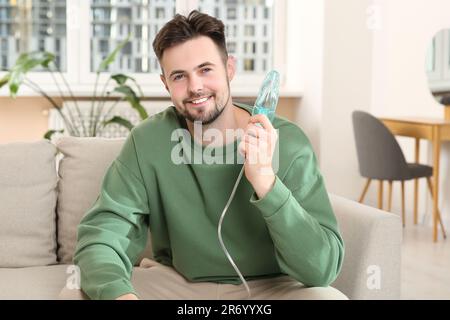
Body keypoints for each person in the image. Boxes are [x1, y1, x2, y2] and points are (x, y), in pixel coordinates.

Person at [59, 10, 346, 300]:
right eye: (180, 76)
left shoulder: (288, 142)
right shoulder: (148, 142)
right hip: (178, 284)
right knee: (74, 296)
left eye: (206, 69)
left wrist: (266, 182)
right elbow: (102, 236)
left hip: (271, 288)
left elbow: (322, 269)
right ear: (165, 83)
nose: (195, 86)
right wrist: (120, 296)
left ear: (229, 69)